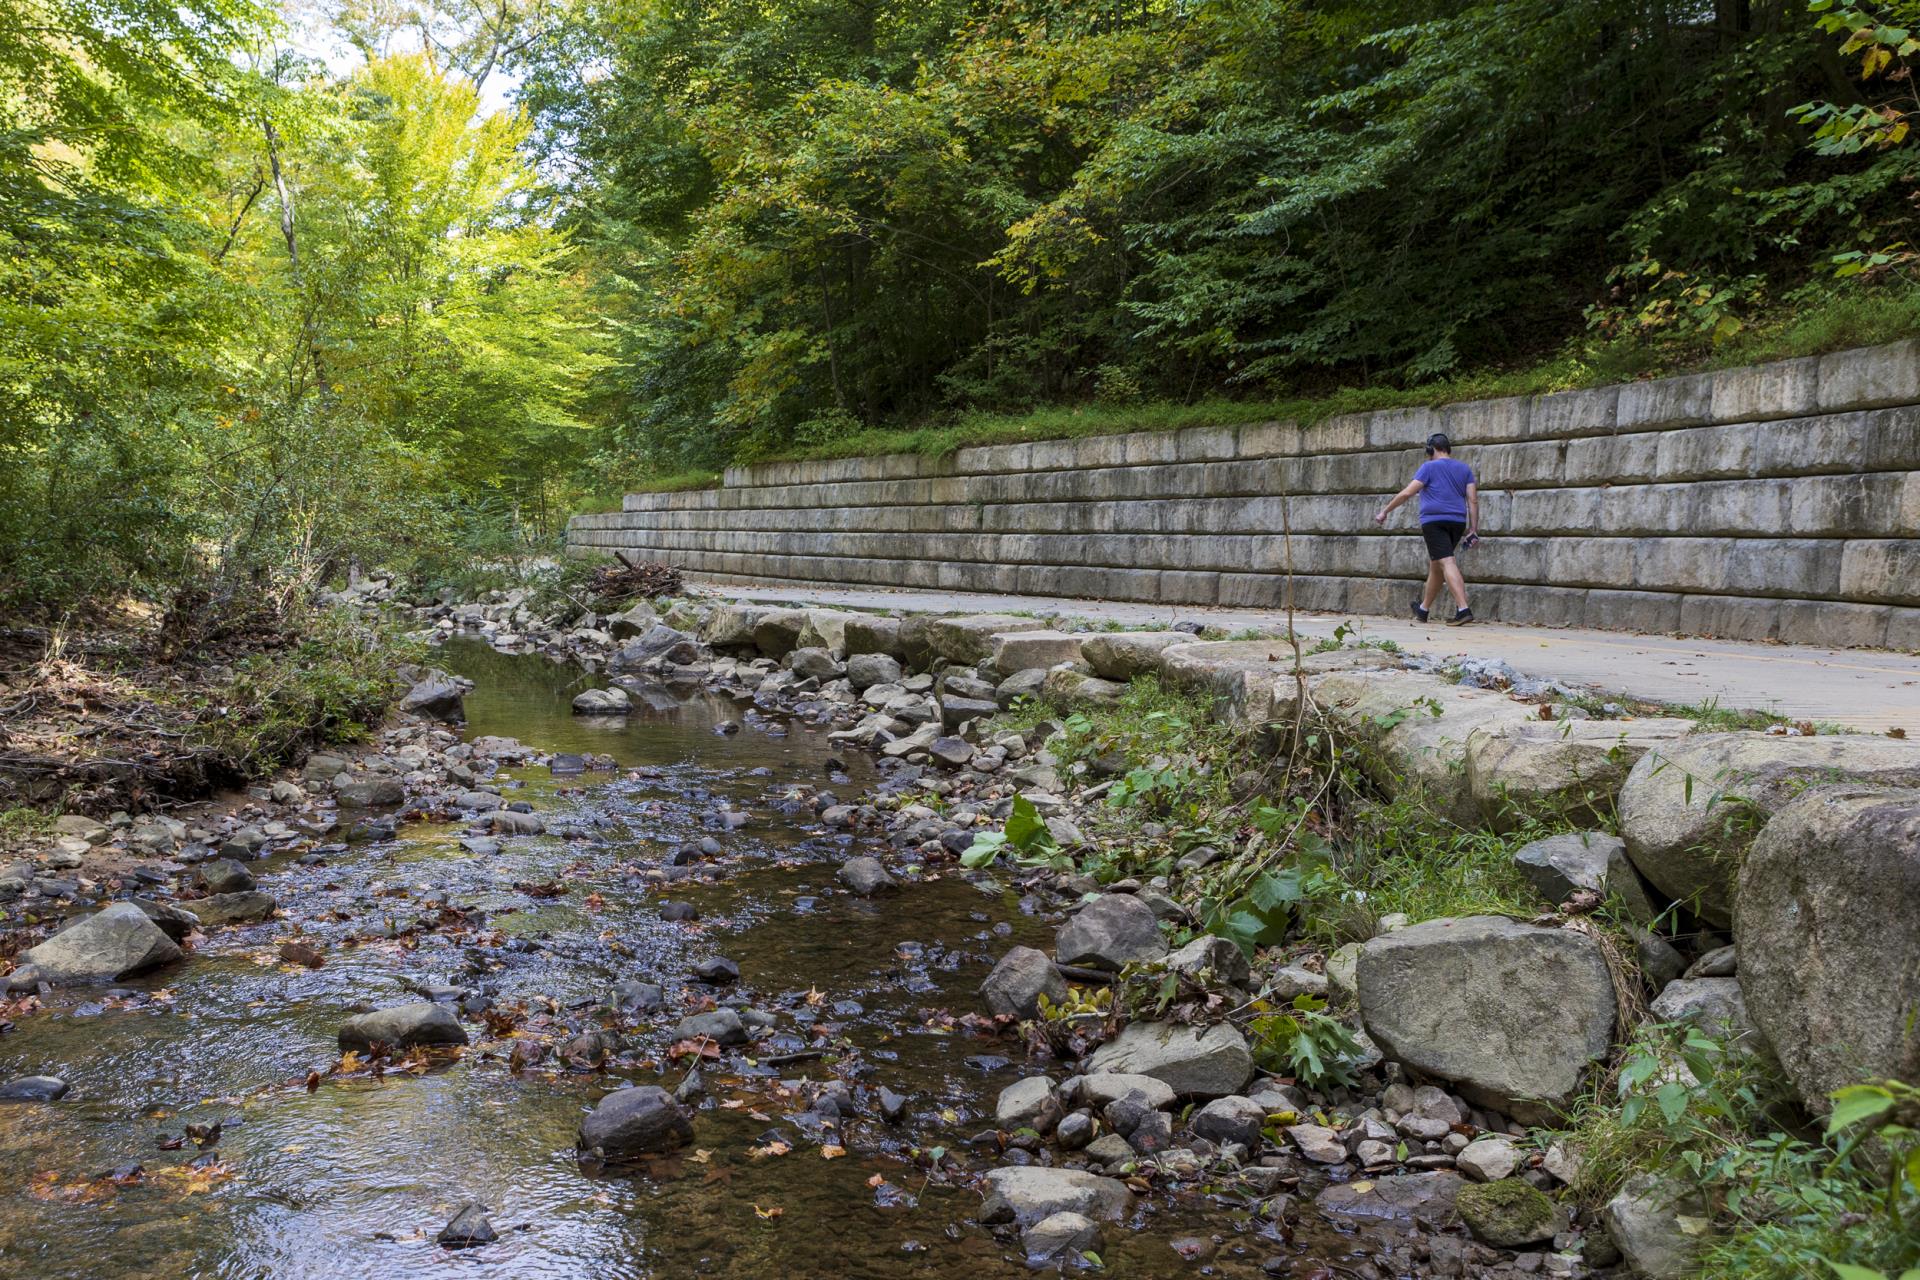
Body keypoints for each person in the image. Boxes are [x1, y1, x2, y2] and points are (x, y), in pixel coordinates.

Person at [1372, 432, 1478, 625]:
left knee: (1446, 562)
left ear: (1432, 449)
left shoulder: (1429, 467)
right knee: (1436, 566)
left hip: (1434, 521)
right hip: (1457, 522)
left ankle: (1463, 609)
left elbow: (1407, 493)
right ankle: (1423, 609)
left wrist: (1385, 511)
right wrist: (1473, 528)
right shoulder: (1465, 469)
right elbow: (1472, 499)